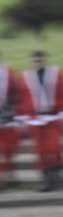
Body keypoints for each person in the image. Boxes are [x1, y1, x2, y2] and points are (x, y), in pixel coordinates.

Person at [19, 50, 63, 193]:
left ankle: (60, 179)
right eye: (35, 60)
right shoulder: (26, 76)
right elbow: (22, 99)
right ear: (32, 61)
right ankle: (46, 182)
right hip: (35, 119)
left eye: (40, 60)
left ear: (45, 59)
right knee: (40, 152)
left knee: (55, 148)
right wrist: (22, 118)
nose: (38, 62)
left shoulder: (56, 74)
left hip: (54, 117)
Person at [0, 52, 24, 191]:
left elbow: (17, 95)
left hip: (8, 117)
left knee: (9, 149)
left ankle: (10, 175)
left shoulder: (8, 72)